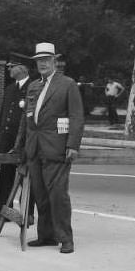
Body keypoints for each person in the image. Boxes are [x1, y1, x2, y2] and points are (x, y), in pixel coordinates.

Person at [14, 42, 85, 254]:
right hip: (34, 149)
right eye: (38, 61)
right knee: (41, 196)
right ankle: (47, 236)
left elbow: (77, 117)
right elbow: (26, 119)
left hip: (57, 149)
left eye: (46, 60)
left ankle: (66, 239)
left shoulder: (68, 84)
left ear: (55, 61)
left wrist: (73, 145)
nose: (42, 64)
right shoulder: (34, 86)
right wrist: (20, 146)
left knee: (58, 196)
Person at [0, 59, 33, 225]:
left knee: (25, 179)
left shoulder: (33, 87)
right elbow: (2, 115)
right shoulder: (10, 88)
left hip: (23, 142)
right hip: (6, 141)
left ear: (22, 69)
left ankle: (27, 214)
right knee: (5, 178)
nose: (9, 69)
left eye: (12, 67)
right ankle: (3, 213)